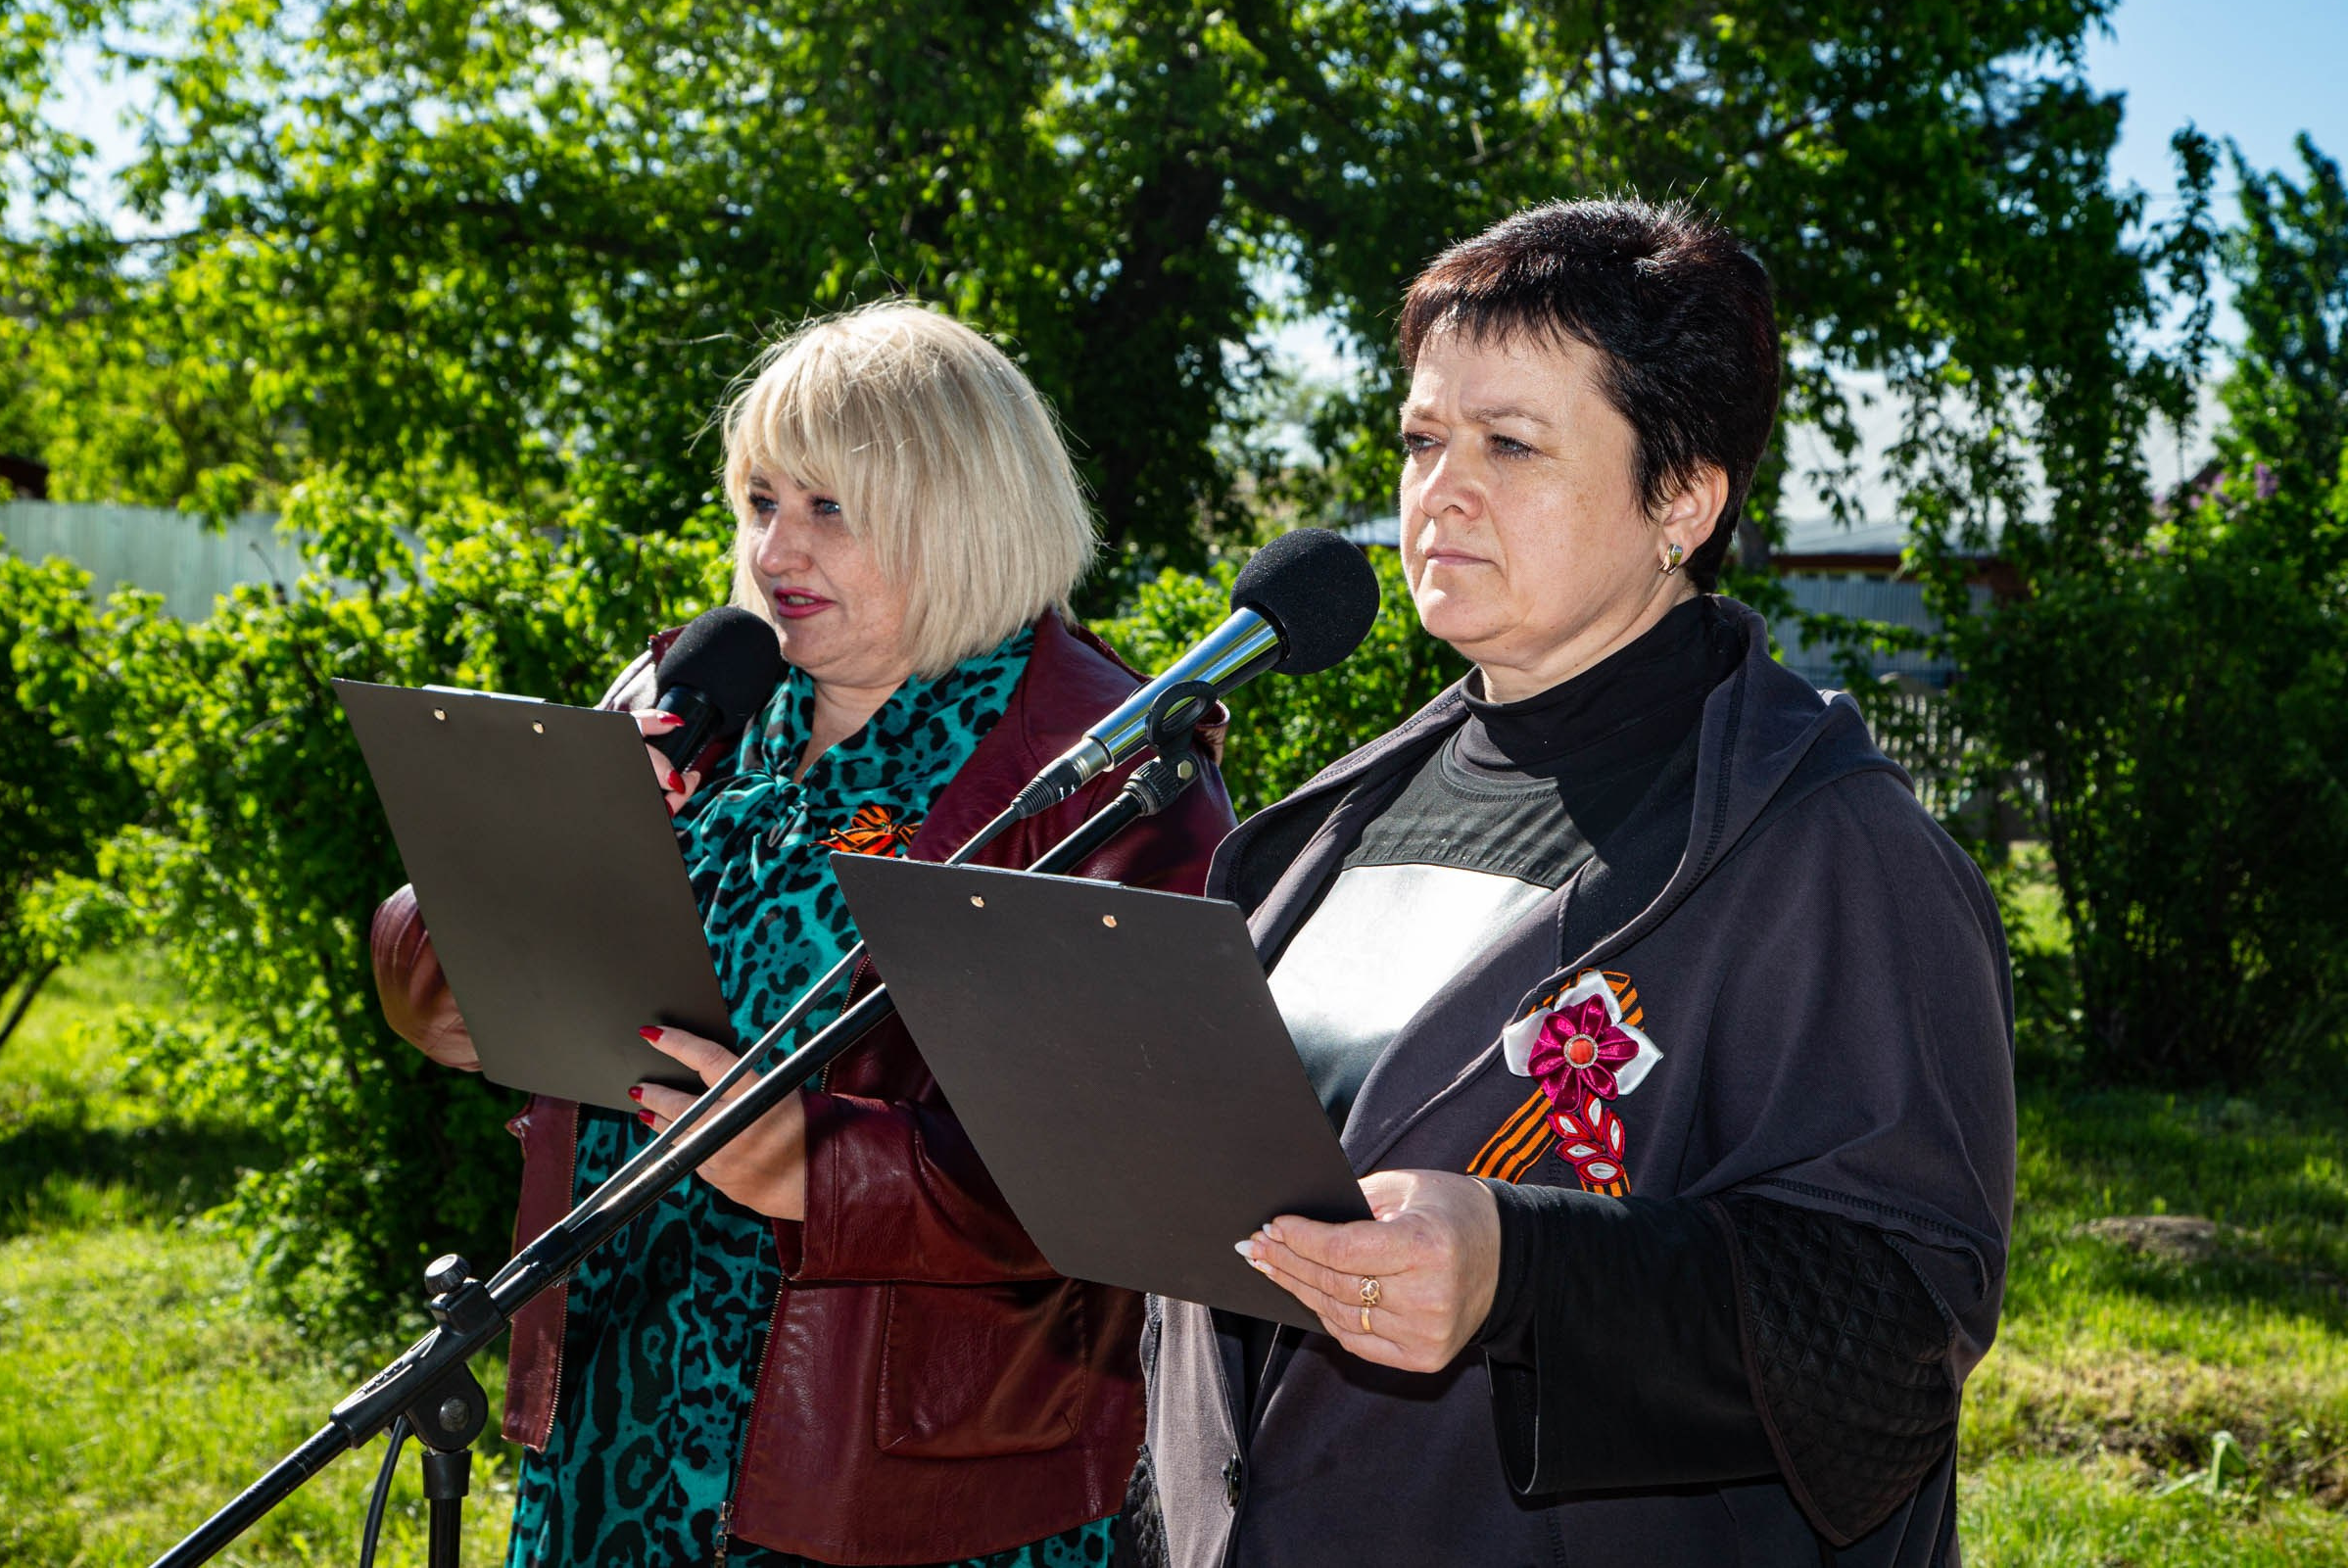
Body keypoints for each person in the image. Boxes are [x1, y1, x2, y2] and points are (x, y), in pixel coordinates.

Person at [1137, 200, 2015, 1567]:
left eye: (1512, 444)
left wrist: (1523, 1272)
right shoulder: (1346, 812)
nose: (1442, 489)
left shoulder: (1832, 850)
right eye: (1425, 439)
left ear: (1684, 497)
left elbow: (1899, 1325)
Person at [371, 302, 1236, 1567]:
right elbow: (467, 934)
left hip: (898, 1490)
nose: (777, 546)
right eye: (761, 500)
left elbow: (1138, 1176)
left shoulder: (1101, 769)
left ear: (961, 509)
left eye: (831, 507)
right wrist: (442, 969)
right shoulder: (707, 700)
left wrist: (818, 1167)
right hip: (624, 1429)